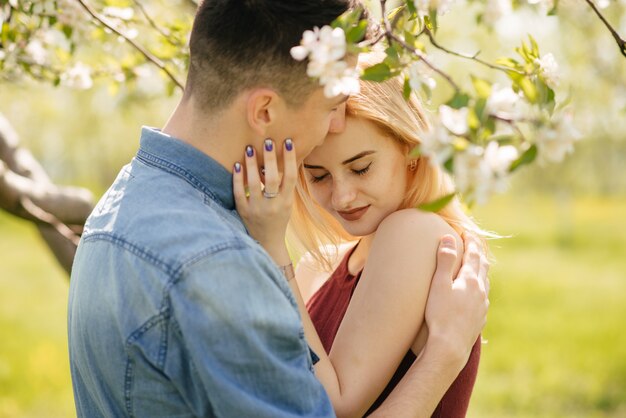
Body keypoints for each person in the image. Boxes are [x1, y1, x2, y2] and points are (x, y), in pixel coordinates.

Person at [68, 1, 489, 417]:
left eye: (360, 166)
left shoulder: (117, 209)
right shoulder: (215, 261)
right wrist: (443, 356)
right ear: (265, 110)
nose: (336, 122)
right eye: (330, 107)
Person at [233, 52, 490, 417]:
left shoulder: (416, 234)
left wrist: (272, 246)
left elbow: (334, 407)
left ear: (411, 151)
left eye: (361, 168)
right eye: (318, 176)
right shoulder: (314, 268)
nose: (342, 196)